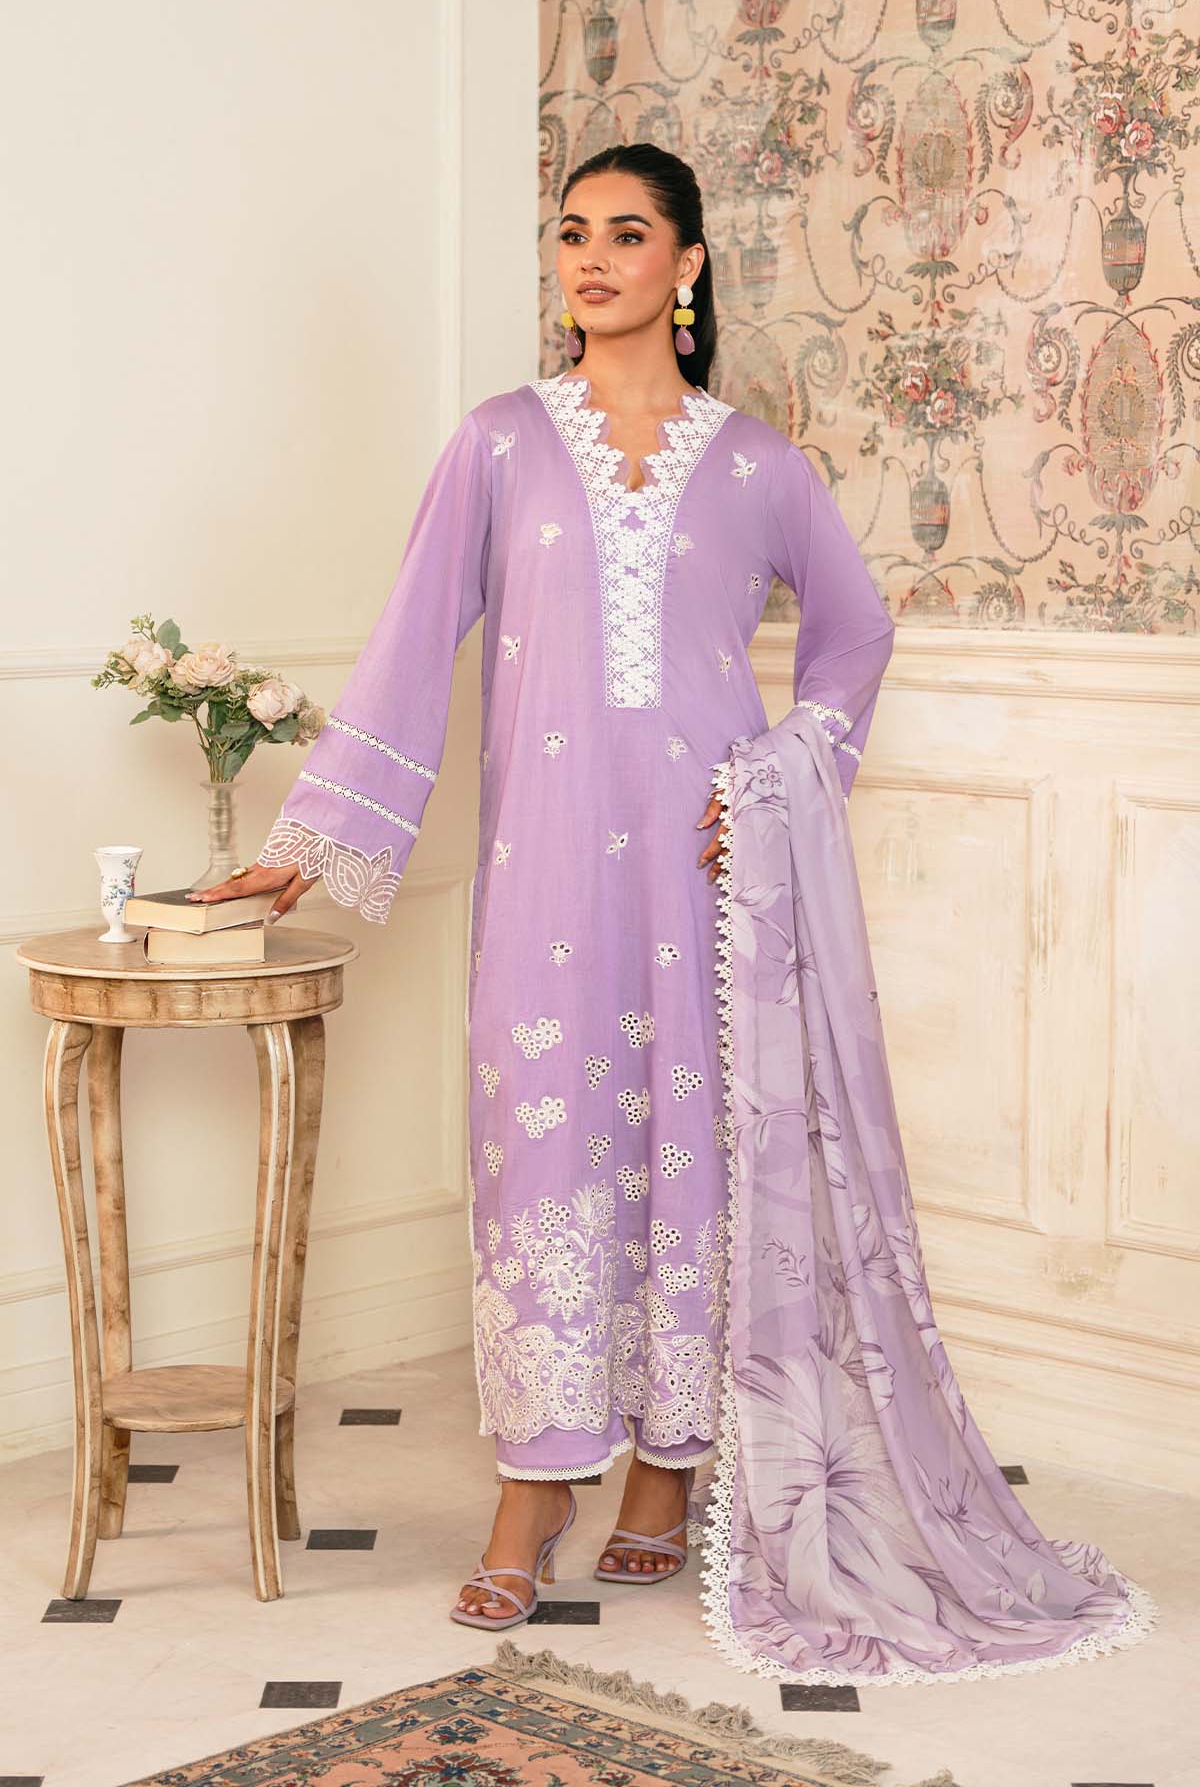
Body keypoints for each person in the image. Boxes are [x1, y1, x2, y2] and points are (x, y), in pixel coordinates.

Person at [190, 143, 1156, 1679]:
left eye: (627, 233)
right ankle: (532, 1491)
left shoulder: (758, 466)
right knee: (544, 1153)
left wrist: (778, 777)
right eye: (572, 232)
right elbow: (408, 645)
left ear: (688, 263)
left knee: (699, 1159)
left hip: (711, 887)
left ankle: (669, 1471)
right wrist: (306, 844)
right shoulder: (500, 445)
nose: (592, 257)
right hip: (546, 879)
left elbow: (855, 636)